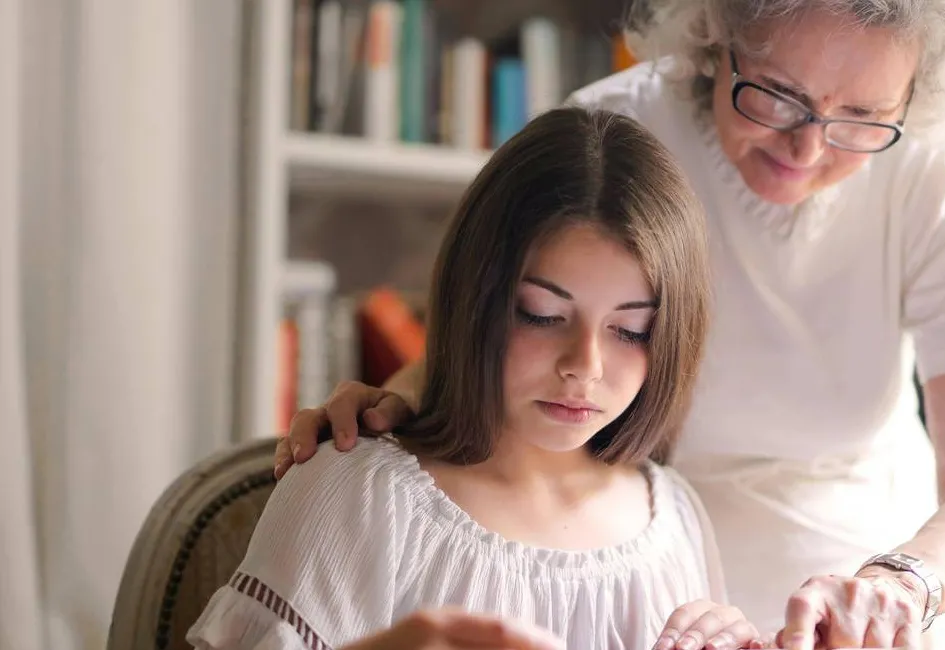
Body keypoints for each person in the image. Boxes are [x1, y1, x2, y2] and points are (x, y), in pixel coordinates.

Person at [280, 1, 945, 649]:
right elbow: (506, 322)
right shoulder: (611, 136)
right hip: (644, 578)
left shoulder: (933, 176)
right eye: (777, 95)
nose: (807, 147)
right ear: (717, 38)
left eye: (862, 118)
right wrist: (400, 397)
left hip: (861, 604)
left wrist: (905, 583)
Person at [188, 107, 763, 650]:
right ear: (477, 300)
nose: (584, 365)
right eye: (542, 315)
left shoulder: (675, 520)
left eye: (632, 329)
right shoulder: (361, 497)